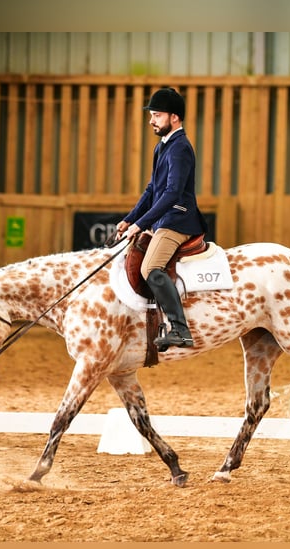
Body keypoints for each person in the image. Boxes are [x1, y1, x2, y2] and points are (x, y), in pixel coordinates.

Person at [116, 87, 207, 351]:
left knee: (150, 268)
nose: (151, 121)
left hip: (178, 220)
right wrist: (129, 219)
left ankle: (180, 329)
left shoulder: (180, 148)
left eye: (156, 115)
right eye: (152, 115)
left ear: (174, 118)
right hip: (163, 219)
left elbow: (171, 194)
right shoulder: (162, 147)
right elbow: (151, 191)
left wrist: (140, 224)